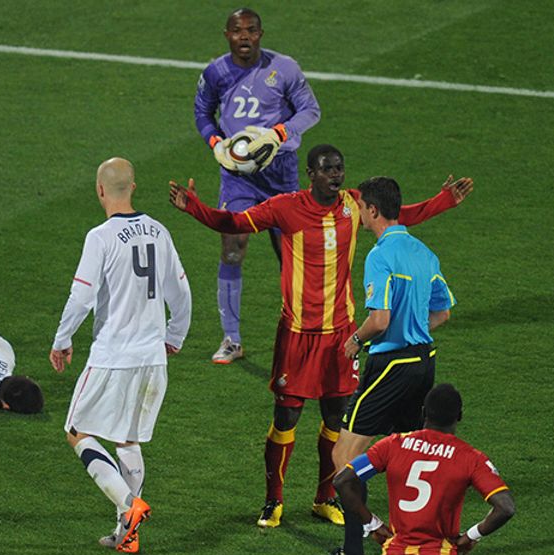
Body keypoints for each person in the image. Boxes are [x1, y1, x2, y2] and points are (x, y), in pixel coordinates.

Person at [169, 145, 471, 529]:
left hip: (341, 335)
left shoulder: (353, 205)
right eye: (327, 169)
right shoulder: (285, 207)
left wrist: (444, 201)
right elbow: (234, 223)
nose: (336, 175)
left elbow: (398, 216)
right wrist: (194, 207)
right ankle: (272, 501)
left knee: (335, 418)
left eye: (340, 168)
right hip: (297, 334)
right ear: (310, 173)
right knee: (286, 417)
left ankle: (325, 497)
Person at [306, 175, 466, 555]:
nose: (359, 212)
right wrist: (413, 330)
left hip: (389, 366)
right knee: (407, 455)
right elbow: (442, 313)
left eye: (361, 207)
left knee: (345, 456)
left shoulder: (380, 256)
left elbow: (379, 320)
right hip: (423, 362)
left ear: (373, 211)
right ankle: (418, 543)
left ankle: (355, 551)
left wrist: (355, 341)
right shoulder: (424, 253)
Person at [51, 157, 192, 554]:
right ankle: (127, 534)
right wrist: (175, 335)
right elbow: (180, 293)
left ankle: (129, 506)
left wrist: (62, 339)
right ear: (133, 187)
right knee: (128, 440)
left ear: (100, 191)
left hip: (114, 355)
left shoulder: (101, 237)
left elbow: (80, 297)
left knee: (77, 430)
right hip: (152, 356)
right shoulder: (159, 232)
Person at [194, 7, 321, 364]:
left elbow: (310, 111)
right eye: (238, 31)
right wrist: (216, 143)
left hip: (280, 173)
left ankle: (305, 333)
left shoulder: (284, 69)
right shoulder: (216, 72)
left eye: (251, 30)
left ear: (261, 34)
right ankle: (231, 339)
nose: (245, 36)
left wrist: (279, 133)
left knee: (290, 253)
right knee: (232, 247)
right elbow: (202, 112)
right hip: (237, 176)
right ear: (227, 34)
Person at [311, 384, 516, 555]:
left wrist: (372, 525)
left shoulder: (392, 445)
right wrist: (472, 536)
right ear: (460, 416)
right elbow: (505, 507)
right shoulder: (471, 458)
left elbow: (343, 481)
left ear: (423, 412)